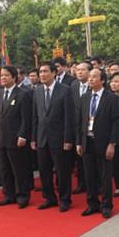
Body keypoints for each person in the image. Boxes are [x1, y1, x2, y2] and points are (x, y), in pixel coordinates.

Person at [31, 61, 75, 212]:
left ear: (54, 73)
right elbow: (35, 117)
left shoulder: (65, 90)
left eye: (45, 71)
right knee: (44, 171)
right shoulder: (37, 91)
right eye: (40, 72)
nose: (42, 75)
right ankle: (49, 198)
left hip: (60, 138)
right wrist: (33, 138)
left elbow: (69, 117)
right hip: (42, 138)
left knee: (62, 171)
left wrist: (68, 139)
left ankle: (64, 199)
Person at [76, 68, 119, 218]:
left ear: (102, 80)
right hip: (87, 141)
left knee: (105, 176)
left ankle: (106, 205)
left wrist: (112, 143)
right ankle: (92, 204)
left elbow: (116, 122)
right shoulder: (84, 97)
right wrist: (79, 142)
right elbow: (80, 122)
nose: (91, 79)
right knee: (89, 175)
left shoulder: (111, 98)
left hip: (104, 141)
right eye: (90, 77)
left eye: (94, 77)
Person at [0, 66, 32, 208]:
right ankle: (9, 195)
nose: (3, 78)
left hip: (16, 138)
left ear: (14, 77)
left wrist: (22, 135)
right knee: (4, 169)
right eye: (1, 75)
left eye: (6, 75)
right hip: (1, 138)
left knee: (19, 169)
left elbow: (26, 119)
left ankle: (23, 195)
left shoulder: (22, 94)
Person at [70, 61, 92, 194]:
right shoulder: (73, 85)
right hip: (76, 126)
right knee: (80, 156)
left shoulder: (95, 85)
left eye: (82, 70)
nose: (79, 72)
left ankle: (95, 184)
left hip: (90, 126)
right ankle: (81, 183)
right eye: (77, 70)